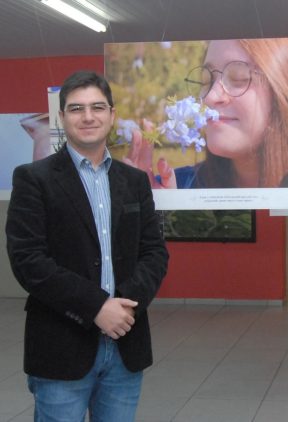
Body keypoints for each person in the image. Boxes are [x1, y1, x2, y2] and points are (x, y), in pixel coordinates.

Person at [5, 70, 169, 421]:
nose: (88, 116)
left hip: (125, 343)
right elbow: (28, 260)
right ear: (62, 117)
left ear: (112, 114)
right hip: (61, 344)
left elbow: (154, 252)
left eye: (97, 107)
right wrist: (97, 307)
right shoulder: (34, 179)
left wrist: (125, 307)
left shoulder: (135, 181)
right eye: (76, 108)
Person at [125, 37, 288, 189]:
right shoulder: (173, 188)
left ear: (287, 94)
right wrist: (154, 215)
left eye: (238, 78)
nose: (210, 97)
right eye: (207, 80)